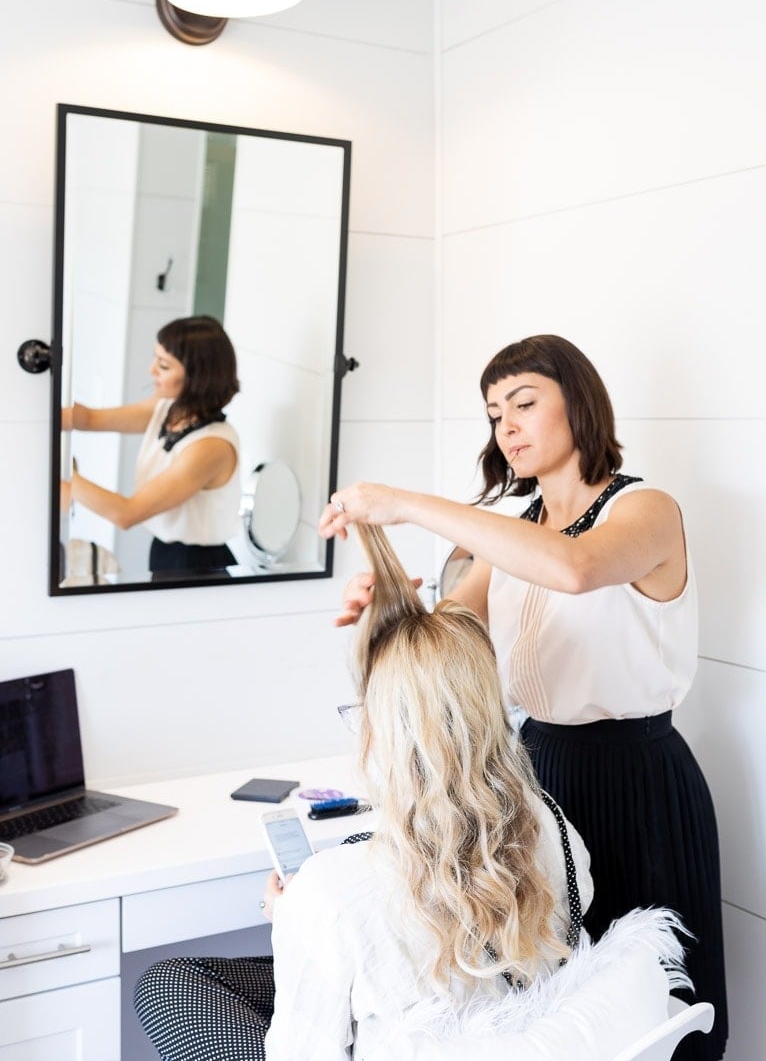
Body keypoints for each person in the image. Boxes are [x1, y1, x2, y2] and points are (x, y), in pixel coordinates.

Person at [318, 334, 727, 1061]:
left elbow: (576, 569)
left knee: (655, 1002)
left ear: (582, 406)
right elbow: (453, 635)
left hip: (637, 780)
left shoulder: (647, 511)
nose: (505, 425)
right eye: (493, 412)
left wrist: (406, 505)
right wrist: (387, 605)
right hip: (531, 776)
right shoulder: (514, 533)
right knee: (555, 1008)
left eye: (524, 403)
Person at [133, 521, 593, 1060]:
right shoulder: (556, 829)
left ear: (384, 732)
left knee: (167, 985)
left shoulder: (330, 895)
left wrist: (296, 925)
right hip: (506, 1033)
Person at [62, 315, 241, 578]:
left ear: (197, 376)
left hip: (197, 567)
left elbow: (127, 514)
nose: (151, 370)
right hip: (165, 554)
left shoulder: (210, 446)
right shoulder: (167, 409)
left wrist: (64, 477)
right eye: (155, 359)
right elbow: (89, 418)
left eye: (164, 365)